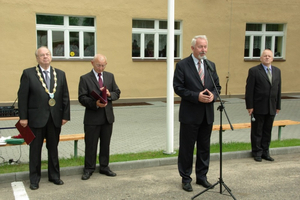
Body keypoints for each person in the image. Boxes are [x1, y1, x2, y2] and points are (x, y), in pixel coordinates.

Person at [18, 46, 70, 190]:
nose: (45, 57)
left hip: (54, 119)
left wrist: (65, 115)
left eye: (47, 54)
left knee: (53, 148)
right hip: (36, 119)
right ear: (37, 58)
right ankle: (34, 179)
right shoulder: (28, 74)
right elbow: (22, 97)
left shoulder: (60, 74)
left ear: (51, 56)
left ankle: (54, 176)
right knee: (35, 150)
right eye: (42, 55)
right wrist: (23, 117)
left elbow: (65, 96)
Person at [173, 35, 221, 192]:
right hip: (190, 115)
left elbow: (217, 86)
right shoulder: (182, 65)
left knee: (204, 148)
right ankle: (186, 178)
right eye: (200, 47)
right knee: (187, 148)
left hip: (207, 115)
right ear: (192, 48)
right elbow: (178, 87)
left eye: (205, 46)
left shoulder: (210, 65)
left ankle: (202, 177)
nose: (203, 50)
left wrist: (214, 95)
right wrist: (196, 96)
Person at [78, 54, 121, 180]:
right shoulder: (85, 78)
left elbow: (117, 93)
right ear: (92, 63)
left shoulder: (110, 76)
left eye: (103, 65)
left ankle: (104, 167)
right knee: (91, 145)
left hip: (107, 117)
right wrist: (94, 103)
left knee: (105, 144)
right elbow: (82, 97)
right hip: (92, 118)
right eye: (98, 65)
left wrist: (109, 94)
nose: (101, 68)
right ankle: (89, 169)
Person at [245, 49, 281, 162]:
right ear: (261, 58)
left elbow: (278, 89)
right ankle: (257, 152)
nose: (267, 57)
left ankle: (266, 152)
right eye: (265, 56)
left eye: (269, 56)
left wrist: (278, 105)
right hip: (258, 106)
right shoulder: (254, 71)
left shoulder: (277, 71)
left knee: (267, 130)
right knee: (257, 131)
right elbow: (249, 90)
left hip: (271, 106)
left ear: (272, 58)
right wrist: (249, 106)